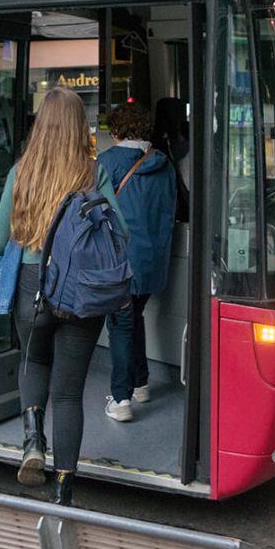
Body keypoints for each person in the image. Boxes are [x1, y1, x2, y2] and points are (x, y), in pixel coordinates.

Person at [0, 87, 124, 506]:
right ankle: (64, 490)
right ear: (79, 128)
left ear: (40, 126)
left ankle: (32, 442)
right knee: (68, 391)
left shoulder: (21, 172)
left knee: (34, 361)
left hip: (32, 284)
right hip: (80, 291)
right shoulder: (94, 172)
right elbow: (121, 233)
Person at [96, 104, 176, 422]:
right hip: (153, 260)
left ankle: (121, 399)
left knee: (119, 324)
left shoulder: (108, 162)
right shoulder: (164, 163)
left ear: (116, 132)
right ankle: (141, 384)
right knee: (134, 318)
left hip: (120, 262)